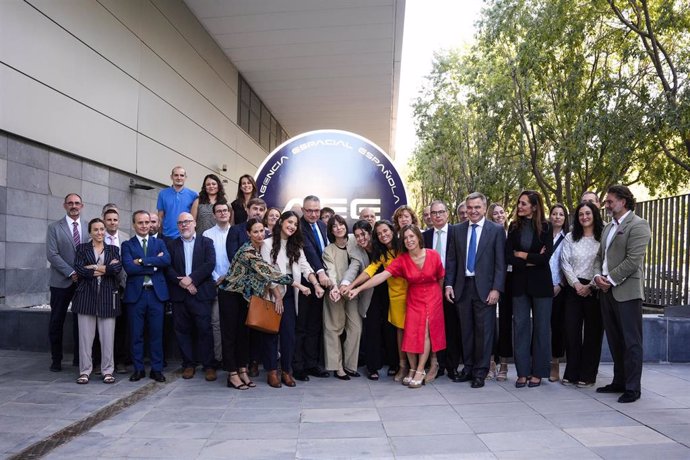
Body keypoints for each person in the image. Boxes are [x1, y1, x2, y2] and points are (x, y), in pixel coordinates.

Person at [350, 225, 445, 389]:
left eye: (411, 237)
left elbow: (440, 277)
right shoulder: (401, 259)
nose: (409, 240)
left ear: (418, 237)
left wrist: (439, 296)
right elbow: (380, 275)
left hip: (433, 296)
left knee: (426, 332)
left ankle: (421, 369)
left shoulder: (433, 255)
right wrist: (357, 288)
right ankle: (411, 367)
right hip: (413, 297)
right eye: (406, 238)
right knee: (409, 332)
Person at [594, 185, 651, 403]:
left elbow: (633, 260)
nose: (606, 205)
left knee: (631, 342)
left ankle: (632, 388)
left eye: (609, 201)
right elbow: (600, 257)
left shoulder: (639, 225)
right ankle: (619, 381)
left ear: (623, 201)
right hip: (606, 291)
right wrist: (598, 276)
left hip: (626, 292)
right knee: (615, 340)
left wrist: (610, 279)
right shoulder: (608, 228)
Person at [445, 193, 506, 388]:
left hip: (485, 289)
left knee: (484, 332)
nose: (473, 211)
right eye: (470, 207)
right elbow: (452, 260)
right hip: (462, 288)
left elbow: (500, 263)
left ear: (484, 207)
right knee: (467, 331)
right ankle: (468, 368)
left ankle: (481, 372)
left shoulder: (495, 230)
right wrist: (448, 284)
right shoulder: (456, 230)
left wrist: (496, 288)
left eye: (477, 207)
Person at [258, 212, 325, 387]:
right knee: (271, 333)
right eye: (289, 222)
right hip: (273, 294)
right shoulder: (267, 244)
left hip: (290, 295)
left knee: (289, 335)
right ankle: (272, 371)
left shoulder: (296, 245)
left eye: (295, 224)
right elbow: (268, 273)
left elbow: (305, 267)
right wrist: (277, 296)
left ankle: (287, 371)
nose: (292, 226)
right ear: (281, 222)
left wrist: (316, 285)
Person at [343, 220, 408, 381]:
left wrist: (355, 287)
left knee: (395, 330)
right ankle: (375, 366)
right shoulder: (381, 252)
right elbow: (370, 271)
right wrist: (352, 286)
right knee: (373, 328)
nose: (383, 235)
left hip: (403, 294)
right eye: (380, 234)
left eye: (385, 232)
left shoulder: (403, 246)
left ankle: (403, 365)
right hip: (375, 292)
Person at [506, 190, 553, 388]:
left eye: (524, 203)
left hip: (541, 286)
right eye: (519, 203)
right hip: (519, 285)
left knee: (542, 328)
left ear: (534, 206)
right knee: (521, 328)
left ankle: (538, 372)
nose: (519, 207)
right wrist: (531, 258)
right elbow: (509, 257)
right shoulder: (514, 227)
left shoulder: (547, 227)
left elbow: (544, 258)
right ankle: (522, 372)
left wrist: (523, 255)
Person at [165, 212, 218, 381]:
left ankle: (209, 365)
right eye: (180, 223)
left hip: (201, 294)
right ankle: (188, 364)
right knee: (182, 331)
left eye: (187, 221)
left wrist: (192, 279)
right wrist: (183, 282)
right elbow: (167, 267)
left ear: (194, 223)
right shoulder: (172, 245)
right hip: (180, 295)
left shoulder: (206, 242)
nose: (184, 225)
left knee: (204, 330)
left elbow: (209, 264)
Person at [122, 211, 170, 383]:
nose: (144, 226)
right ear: (134, 224)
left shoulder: (159, 243)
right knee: (136, 335)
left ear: (151, 224)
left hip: (156, 295)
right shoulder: (127, 245)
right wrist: (153, 264)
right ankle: (139, 369)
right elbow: (129, 268)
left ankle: (157, 369)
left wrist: (141, 261)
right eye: (140, 222)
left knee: (157, 334)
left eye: (147, 222)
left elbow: (166, 261)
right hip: (136, 296)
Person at [72, 218, 122, 384]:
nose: (100, 232)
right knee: (85, 339)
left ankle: (108, 371)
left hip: (108, 297)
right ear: (90, 232)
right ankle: (85, 371)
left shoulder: (114, 250)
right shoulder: (81, 248)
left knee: (108, 338)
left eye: (102, 229)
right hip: (86, 297)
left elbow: (116, 269)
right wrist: (104, 269)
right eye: (96, 230)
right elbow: (79, 269)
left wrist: (92, 267)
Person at [560, 202, 604, 387]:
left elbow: (605, 262)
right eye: (580, 214)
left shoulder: (603, 236)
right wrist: (577, 284)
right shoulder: (571, 237)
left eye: (588, 213)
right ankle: (572, 373)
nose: (584, 217)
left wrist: (591, 285)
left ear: (594, 214)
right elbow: (564, 262)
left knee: (593, 334)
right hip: (574, 288)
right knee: (572, 333)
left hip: (595, 289)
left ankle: (588, 375)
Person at [293, 195, 332, 381]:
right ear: (302, 209)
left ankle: (312, 363)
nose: (313, 214)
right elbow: (308, 251)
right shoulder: (298, 226)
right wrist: (320, 272)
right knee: (301, 326)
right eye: (309, 210)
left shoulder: (323, 226)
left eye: (317, 210)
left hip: (320, 284)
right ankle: (298, 366)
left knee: (315, 326)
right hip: (304, 283)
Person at [46, 193, 86, 371]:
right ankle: (56, 359)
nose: (74, 206)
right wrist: (71, 272)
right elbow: (52, 254)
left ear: (82, 206)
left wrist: (82, 273)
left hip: (83, 283)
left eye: (77, 203)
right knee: (56, 322)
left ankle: (79, 359)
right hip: (61, 282)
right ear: (64, 206)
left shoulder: (88, 227)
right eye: (70, 203)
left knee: (81, 323)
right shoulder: (54, 227)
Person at [422, 200, 461, 382]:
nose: (437, 215)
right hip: (430, 287)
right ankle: (438, 364)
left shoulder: (457, 232)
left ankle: (452, 366)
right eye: (434, 213)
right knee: (435, 327)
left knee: (451, 326)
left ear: (447, 213)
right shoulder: (425, 236)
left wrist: (450, 283)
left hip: (452, 285)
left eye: (441, 212)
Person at [322, 215, 363, 380]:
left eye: (341, 224)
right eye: (334, 226)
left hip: (352, 290)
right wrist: (333, 287)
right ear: (331, 230)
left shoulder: (354, 241)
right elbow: (330, 270)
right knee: (333, 328)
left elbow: (358, 263)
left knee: (356, 328)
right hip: (335, 293)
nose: (338, 228)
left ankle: (350, 365)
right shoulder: (329, 250)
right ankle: (337, 367)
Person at [202, 202, 233, 368]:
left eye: (225, 210)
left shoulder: (236, 232)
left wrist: (229, 276)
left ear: (229, 213)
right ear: (214, 215)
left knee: (234, 322)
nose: (222, 213)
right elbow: (206, 260)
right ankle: (219, 358)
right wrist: (217, 278)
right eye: (219, 211)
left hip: (235, 284)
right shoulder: (207, 234)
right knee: (216, 323)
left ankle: (233, 358)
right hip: (214, 284)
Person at [102, 207, 130, 375]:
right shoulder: (97, 236)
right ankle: (100, 361)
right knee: (103, 325)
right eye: (109, 219)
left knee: (121, 326)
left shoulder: (126, 238)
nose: (112, 222)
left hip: (122, 289)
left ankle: (120, 360)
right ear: (104, 221)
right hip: (104, 287)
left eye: (115, 220)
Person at [487, 202, 511, 381]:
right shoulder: (489, 234)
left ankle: (504, 363)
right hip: (491, 282)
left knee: (505, 323)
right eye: (495, 213)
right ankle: (490, 363)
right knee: (488, 325)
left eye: (502, 212)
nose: (499, 215)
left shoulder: (512, 233)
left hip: (511, 283)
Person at [548, 204, 569, 382]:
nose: (557, 217)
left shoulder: (569, 238)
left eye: (561, 214)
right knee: (541, 326)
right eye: (554, 214)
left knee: (557, 326)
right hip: (541, 287)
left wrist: (561, 285)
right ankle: (539, 362)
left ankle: (555, 363)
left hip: (559, 287)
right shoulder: (543, 235)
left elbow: (569, 264)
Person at [157, 166, 198, 238]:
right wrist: (160, 234)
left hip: (184, 236)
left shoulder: (193, 195)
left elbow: (194, 218)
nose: (179, 178)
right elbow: (160, 217)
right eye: (176, 175)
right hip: (166, 236)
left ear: (185, 177)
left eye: (182, 175)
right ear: (171, 177)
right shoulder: (162, 194)